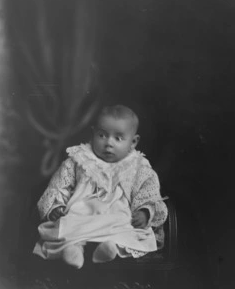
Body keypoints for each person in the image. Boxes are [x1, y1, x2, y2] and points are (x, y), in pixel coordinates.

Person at [33, 105, 168, 269]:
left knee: (128, 230)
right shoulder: (79, 159)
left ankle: (110, 248)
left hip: (117, 217)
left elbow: (149, 192)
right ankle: (73, 250)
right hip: (82, 214)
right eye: (102, 135)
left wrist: (145, 211)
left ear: (133, 142)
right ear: (93, 133)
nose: (108, 143)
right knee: (66, 226)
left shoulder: (137, 166)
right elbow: (60, 185)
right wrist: (56, 205)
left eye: (118, 138)